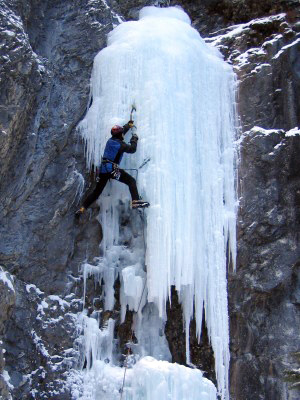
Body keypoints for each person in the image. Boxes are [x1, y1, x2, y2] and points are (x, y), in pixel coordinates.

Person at [75, 120, 149, 216]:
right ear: (119, 135)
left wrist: (128, 125)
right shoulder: (121, 145)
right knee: (131, 181)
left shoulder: (111, 141)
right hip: (112, 170)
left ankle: (82, 208)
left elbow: (120, 133)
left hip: (103, 171)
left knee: (97, 192)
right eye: (122, 133)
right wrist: (134, 139)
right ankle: (135, 201)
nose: (123, 134)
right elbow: (132, 149)